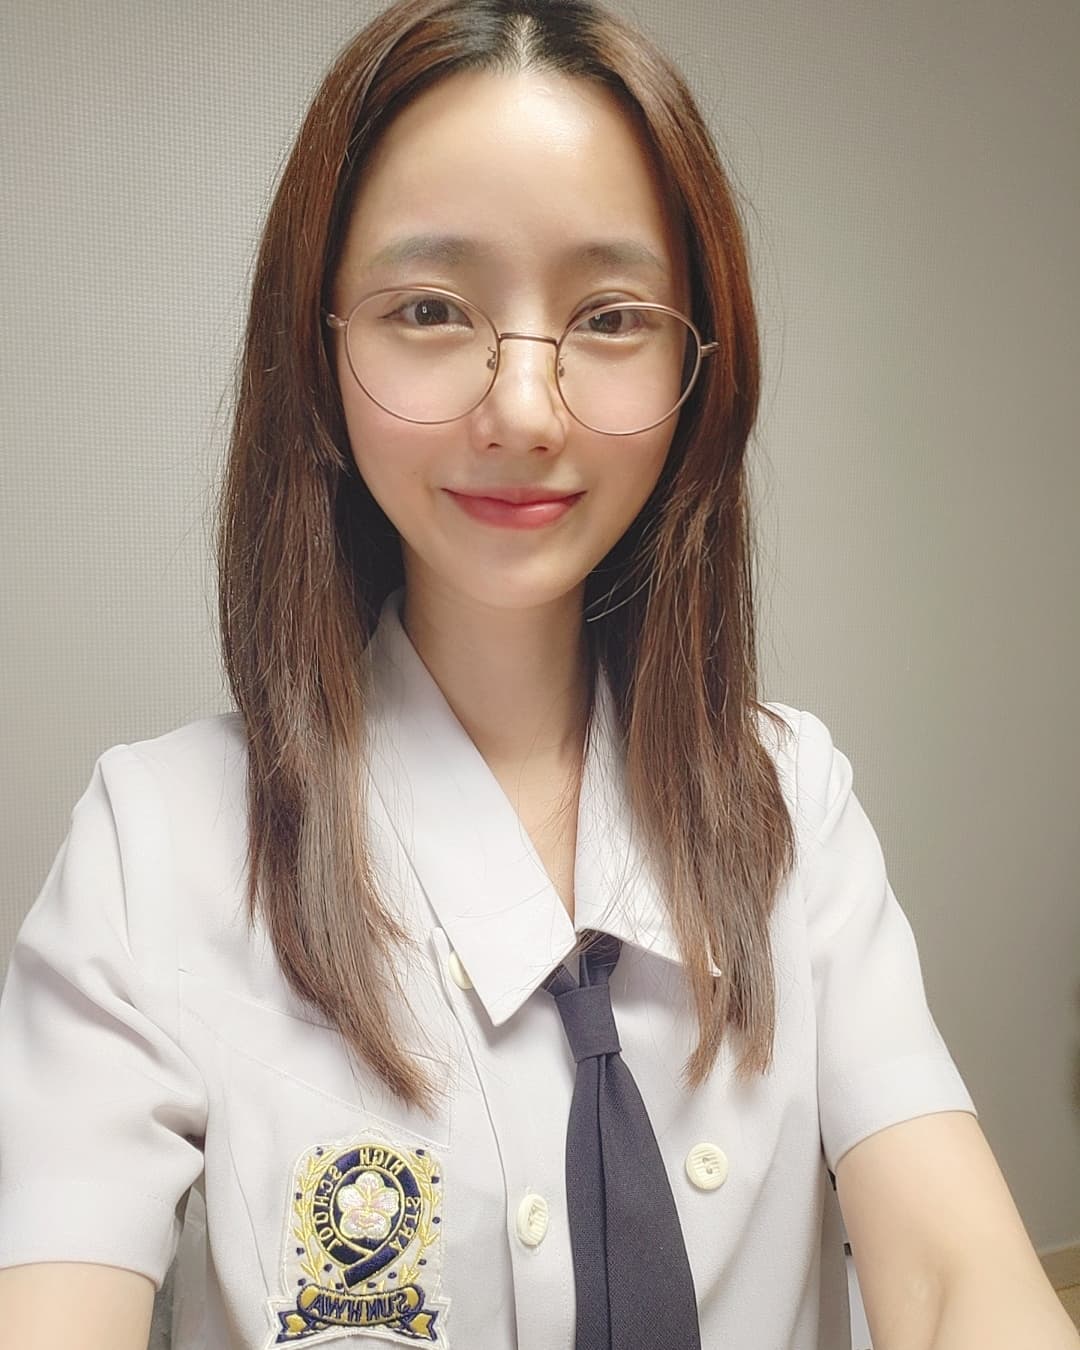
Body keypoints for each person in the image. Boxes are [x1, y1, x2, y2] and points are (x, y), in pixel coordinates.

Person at [0, 0, 1075, 1347]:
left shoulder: (789, 798)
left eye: (611, 316)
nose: (522, 410)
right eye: (429, 309)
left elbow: (956, 1279)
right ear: (321, 345)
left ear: (698, 367)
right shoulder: (154, 846)